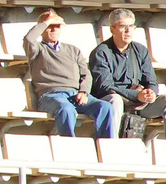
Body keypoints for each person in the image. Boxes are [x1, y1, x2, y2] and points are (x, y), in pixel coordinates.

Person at [23, 10, 118, 139]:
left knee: (105, 107)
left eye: (57, 26)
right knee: (66, 109)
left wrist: (83, 92)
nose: (54, 29)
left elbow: (86, 74)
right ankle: (70, 144)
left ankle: (105, 145)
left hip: (75, 94)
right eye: (50, 26)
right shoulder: (37, 50)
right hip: (51, 95)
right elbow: (28, 39)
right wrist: (47, 21)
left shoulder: (73, 50)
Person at [90, 8, 166, 141]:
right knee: (114, 101)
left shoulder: (140, 50)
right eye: (122, 26)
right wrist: (136, 95)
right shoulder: (101, 52)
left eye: (131, 26)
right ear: (112, 29)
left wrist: (151, 92)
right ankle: (111, 146)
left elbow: (151, 80)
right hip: (115, 101)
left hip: (140, 102)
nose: (128, 31)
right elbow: (104, 87)